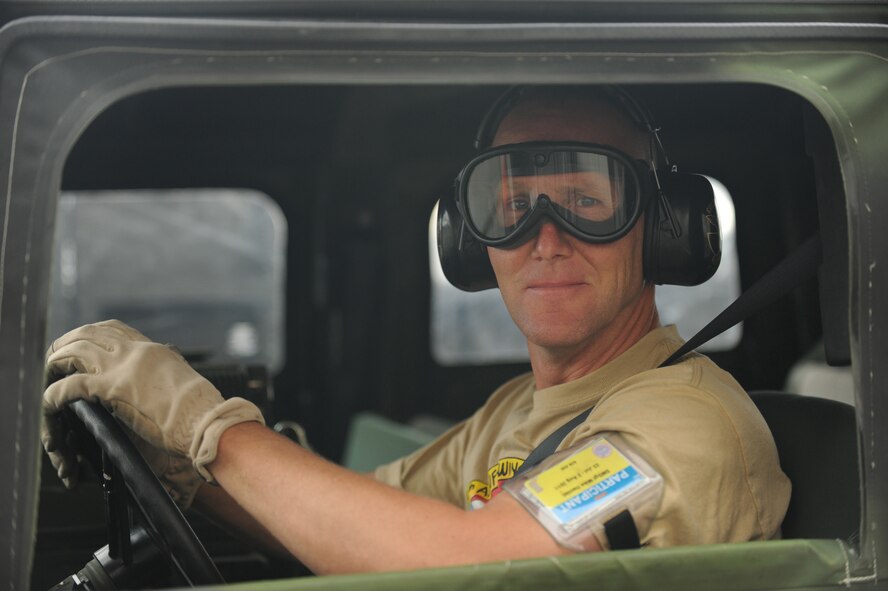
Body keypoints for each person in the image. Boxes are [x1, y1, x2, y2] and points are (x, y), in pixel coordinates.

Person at [41, 86, 790, 575]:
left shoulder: (689, 421)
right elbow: (353, 524)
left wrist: (212, 429)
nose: (545, 237)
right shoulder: (513, 412)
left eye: (586, 200)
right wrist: (178, 466)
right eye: (512, 204)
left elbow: (479, 562)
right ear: (472, 241)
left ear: (659, 229)